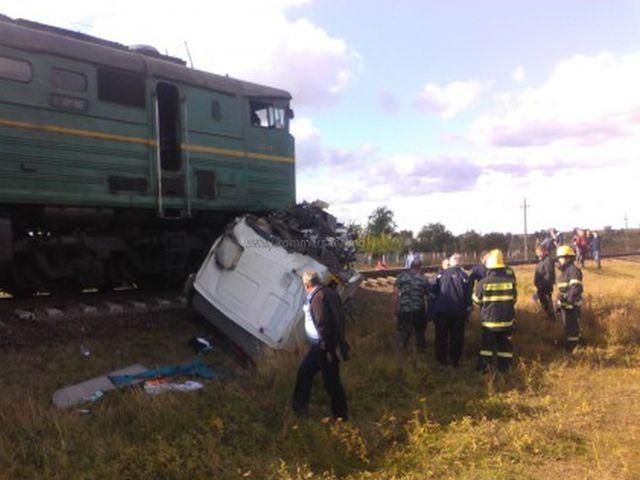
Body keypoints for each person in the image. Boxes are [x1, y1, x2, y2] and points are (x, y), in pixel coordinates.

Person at [292, 271, 348, 420]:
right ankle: (340, 415)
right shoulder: (329, 293)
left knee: (316, 377)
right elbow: (339, 318)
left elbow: (323, 325)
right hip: (326, 345)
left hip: (322, 347)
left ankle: (300, 410)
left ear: (307, 284)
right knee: (328, 380)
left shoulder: (317, 298)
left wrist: (328, 349)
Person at [473, 249, 517, 372]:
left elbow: (477, 301)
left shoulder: (483, 283)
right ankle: (505, 369)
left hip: (489, 322)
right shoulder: (511, 282)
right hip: (507, 321)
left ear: (489, 268)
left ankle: (485, 369)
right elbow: (514, 299)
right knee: (505, 347)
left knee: (487, 347)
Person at [431, 253, 471, 367]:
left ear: (451, 262)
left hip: (441, 311)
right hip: (458, 312)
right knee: (457, 337)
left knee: (441, 336)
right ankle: (455, 360)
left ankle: (441, 361)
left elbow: (431, 289)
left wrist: (436, 303)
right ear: (460, 262)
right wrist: (467, 311)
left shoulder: (441, 274)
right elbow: (468, 297)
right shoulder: (464, 276)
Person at [393, 259, 429, 352]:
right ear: (420, 267)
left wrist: (396, 306)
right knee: (420, 332)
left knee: (403, 332)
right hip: (418, 310)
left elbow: (396, 292)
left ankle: (401, 350)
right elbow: (427, 295)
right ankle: (420, 351)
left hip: (404, 309)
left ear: (411, 266)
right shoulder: (423, 279)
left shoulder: (402, 276)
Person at [555, 245, 584, 352]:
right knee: (569, 328)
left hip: (572, 305)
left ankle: (573, 350)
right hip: (566, 306)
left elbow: (576, 288)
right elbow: (563, 290)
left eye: (560, 257)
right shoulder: (564, 272)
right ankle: (572, 347)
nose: (559, 260)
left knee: (572, 329)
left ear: (568, 258)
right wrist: (558, 302)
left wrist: (567, 300)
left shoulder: (573, 270)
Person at [534, 244, 556, 321]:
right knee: (540, 301)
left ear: (545, 252)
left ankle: (552, 318)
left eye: (539, 252)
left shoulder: (548, 261)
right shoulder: (541, 262)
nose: (538, 254)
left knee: (548, 304)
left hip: (545, 287)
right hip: (540, 287)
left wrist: (541, 286)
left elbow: (548, 276)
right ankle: (549, 317)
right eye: (537, 252)